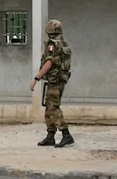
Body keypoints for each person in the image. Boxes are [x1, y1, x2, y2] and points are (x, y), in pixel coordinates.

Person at [30, 19, 73, 148]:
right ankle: (50, 136)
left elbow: (48, 64)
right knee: (49, 108)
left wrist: (36, 78)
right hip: (59, 79)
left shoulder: (52, 45)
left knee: (53, 108)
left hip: (54, 81)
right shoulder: (63, 43)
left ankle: (66, 135)